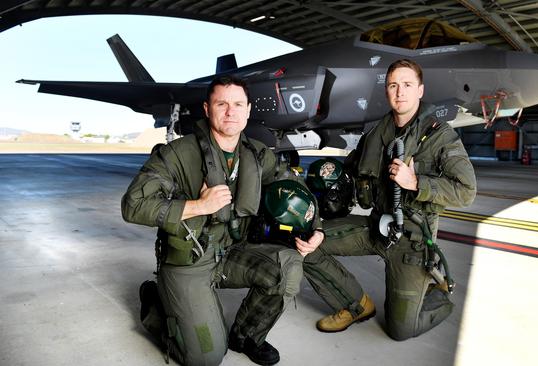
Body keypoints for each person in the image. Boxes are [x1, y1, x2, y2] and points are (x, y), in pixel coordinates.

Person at [121, 75, 324, 366]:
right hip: (190, 262)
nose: (231, 111)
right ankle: (156, 303)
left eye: (238, 104)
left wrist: (315, 228)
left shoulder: (257, 154)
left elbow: (298, 191)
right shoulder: (177, 154)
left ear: (249, 110)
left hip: (233, 251)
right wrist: (198, 205)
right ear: (207, 108)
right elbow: (133, 206)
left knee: (288, 266)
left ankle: (245, 335)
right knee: (207, 357)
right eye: (222, 103)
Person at [303, 59, 477, 341]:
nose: (400, 92)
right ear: (387, 91)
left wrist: (416, 182)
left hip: (412, 242)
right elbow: (348, 172)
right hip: (376, 228)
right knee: (306, 241)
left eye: (407, 85)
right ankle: (355, 305)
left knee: (400, 331)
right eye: (394, 85)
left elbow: (466, 191)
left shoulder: (439, 136)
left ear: (420, 90)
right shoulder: (375, 134)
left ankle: (438, 290)